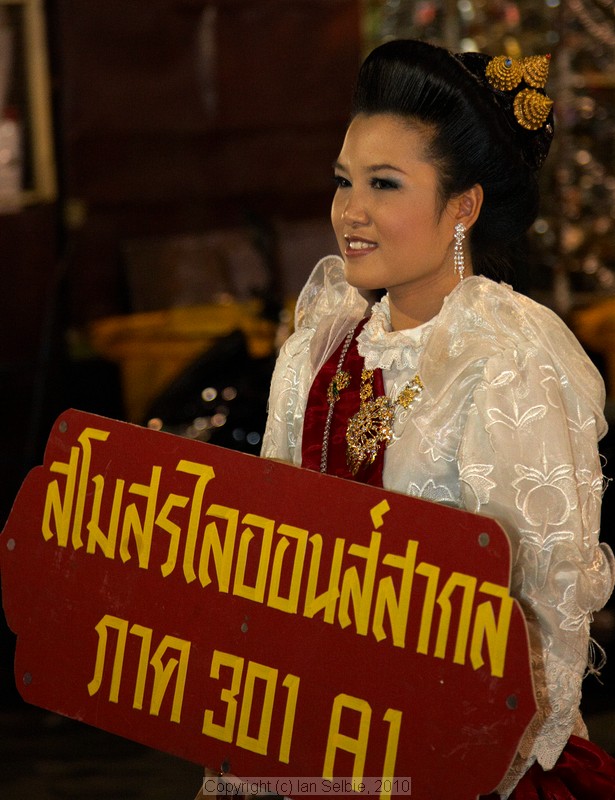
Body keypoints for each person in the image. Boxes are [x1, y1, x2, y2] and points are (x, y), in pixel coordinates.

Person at [260, 39, 615, 798]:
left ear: (463, 205)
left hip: (458, 760)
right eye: (342, 182)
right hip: (315, 739)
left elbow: (538, 615)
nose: (349, 213)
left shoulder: (505, 359)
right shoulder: (318, 347)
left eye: (384, 184)